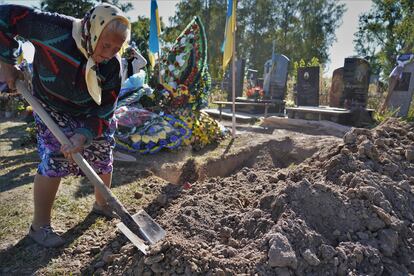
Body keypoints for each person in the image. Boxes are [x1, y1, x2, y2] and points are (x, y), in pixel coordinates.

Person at [0, 4, 131, 247]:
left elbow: (105, 109)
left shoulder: (112, 66)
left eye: (116, 48)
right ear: (93, 31)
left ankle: (103, 205)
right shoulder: (53, 29)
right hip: (50, 105)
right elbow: (4, 17)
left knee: (103, 152)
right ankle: (39, 227)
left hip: (89, 110)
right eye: (105, 45)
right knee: (56, 156)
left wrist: (84, 135)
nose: (109, 53)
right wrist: (6, 61)